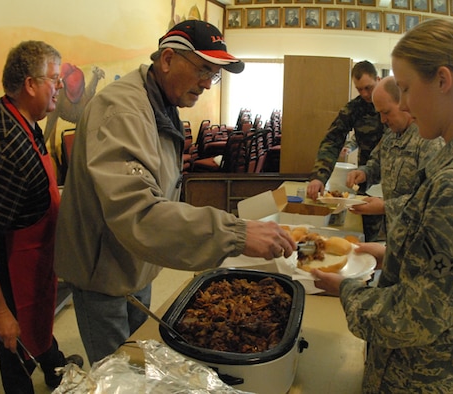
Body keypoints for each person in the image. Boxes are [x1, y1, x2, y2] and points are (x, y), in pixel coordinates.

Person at [54, 20, 296, 365]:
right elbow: (138, 212)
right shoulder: (121, 110)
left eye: (214, 75)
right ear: (167, 59)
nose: (207, 84)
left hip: (139, 259)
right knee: (118, 371)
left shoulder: (162, 102)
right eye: (203, 70)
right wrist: (234, 233)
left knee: (141, 356)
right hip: (103, 270)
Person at [313, 18, 453, 392]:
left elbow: (413, 317)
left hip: (416, 376)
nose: (403, 106)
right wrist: (389, 251)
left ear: (443, 81)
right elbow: (451, 270)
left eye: (404, 89)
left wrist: (345, 289)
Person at [0, 41, 83, 393]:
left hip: (35, 263)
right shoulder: (5, 148)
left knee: (37, 327)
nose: (59, 87)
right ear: (30, 84)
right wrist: (0, 313)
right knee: (14, 344)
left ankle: (54, 368)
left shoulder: (24, 118)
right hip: (10, 276)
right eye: (54, 79)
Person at [345, 76, 444, 233]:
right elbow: (376, 164)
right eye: (379, 114)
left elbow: (429, 197)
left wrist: (385, 206)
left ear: (404, 103)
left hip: (418, 236)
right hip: (394, 231)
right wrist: (363, 173)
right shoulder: (391, 135)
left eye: (386, 112)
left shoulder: (429, 140)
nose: (383, 120)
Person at [307, 60, 386, 241]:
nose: (365, 94)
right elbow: (332, 140)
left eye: (369, 87)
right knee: (370, 237)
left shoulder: (398, 104)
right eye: (360, 89)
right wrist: (319, 176)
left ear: (378, 79)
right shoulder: (354, 109)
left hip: (395, 184)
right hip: (367, 180)